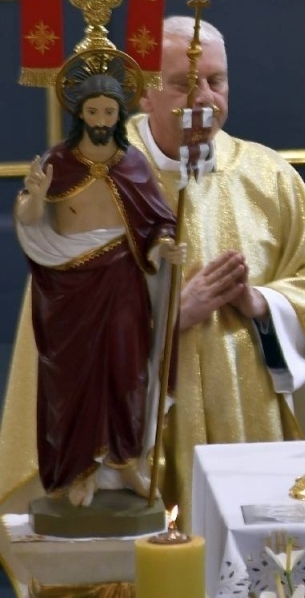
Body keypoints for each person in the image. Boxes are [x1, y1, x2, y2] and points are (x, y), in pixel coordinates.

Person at [0, 18, 305, 526]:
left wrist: (262, 303)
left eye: (217, 80)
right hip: (135, 424)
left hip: (243, 413)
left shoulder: (269, 177)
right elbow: (59, 317)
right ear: (143, 93)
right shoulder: (95, 180)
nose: (205, 97)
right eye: (184, 83)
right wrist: (167, 315)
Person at [8, 60, 180, 507]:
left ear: (118, 116)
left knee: (127, 371)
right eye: (94, 112)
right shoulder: (57, 162)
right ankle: (79, 471)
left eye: (109, 113)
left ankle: (125, 466)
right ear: (79, 114)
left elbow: (158, 223)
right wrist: (38, 197)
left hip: (122, 279)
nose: (101, 121)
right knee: (72, 380)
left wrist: (164, 249)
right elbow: (28, 218)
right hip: (67, 287)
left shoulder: (133, 164)